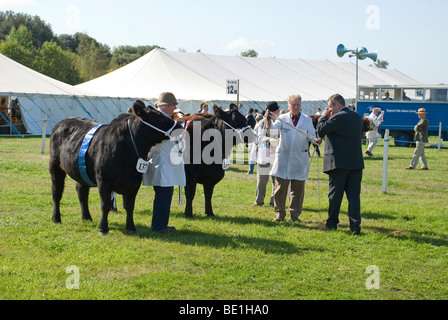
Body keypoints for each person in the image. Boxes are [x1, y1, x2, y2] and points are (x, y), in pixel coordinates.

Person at [316, 94, 364, 235]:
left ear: (337, 104)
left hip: (338, 163)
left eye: (330, 107)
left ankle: (331, 223)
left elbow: (321, 130)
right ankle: (355, 227)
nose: (330, 110)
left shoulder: (338, 116)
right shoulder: (357, 117)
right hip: (355, 163)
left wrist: (323, 116)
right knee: (354, 197)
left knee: (335, 196)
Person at [270, 94, 321, 222]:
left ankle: (294, 215)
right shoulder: (282, 118)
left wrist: (317, 140)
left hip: (299, 159)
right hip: (284, 158)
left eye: (298, 105)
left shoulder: (307, 120)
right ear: (289, 105)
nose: (296, 107)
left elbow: (312, 136)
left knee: (297, 191)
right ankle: (279, 214)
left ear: (301, 105)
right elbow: (272, 129)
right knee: (280, 190)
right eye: (293, 105)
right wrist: (268, 120)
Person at [142, 92, 186, 233]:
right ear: (167, 105)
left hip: (165, 162)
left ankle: (161, 224)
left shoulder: (164, 119)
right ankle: (159, 226)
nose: (174, 109)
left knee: (165, 195)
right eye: (173, 106)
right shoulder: (161, 120)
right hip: (163, 162)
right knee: (163, 196)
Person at [252, 102, 281, 207]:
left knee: (276, 180)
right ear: (275, 111)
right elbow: (260, 138)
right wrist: (273, 141)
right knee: (262, 180)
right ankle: (259, 200)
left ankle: (274, 201)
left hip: (276, 155)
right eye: (277, 111)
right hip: (264, 155)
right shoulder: (263, 122)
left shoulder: (280, 122)